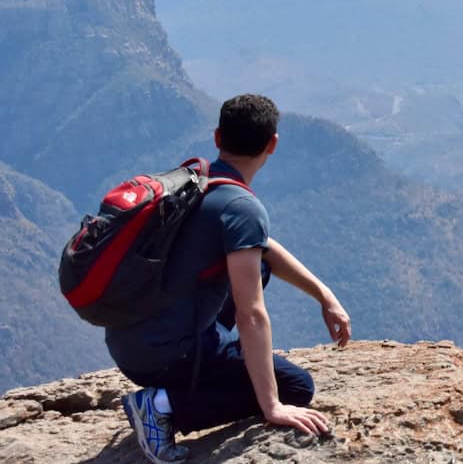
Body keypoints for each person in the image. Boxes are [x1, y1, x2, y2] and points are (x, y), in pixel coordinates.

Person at [107, 94, 353, 464]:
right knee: (297, 386)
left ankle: (217, 359)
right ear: (273, 144)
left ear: (217, 137)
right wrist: (272, 405)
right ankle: (160, 406)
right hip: (164, 356)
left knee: (260, 266)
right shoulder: (241, 206)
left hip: (129, 337)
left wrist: (324, 294)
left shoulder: (193, 182)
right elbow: (251, 315)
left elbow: (262, 247)